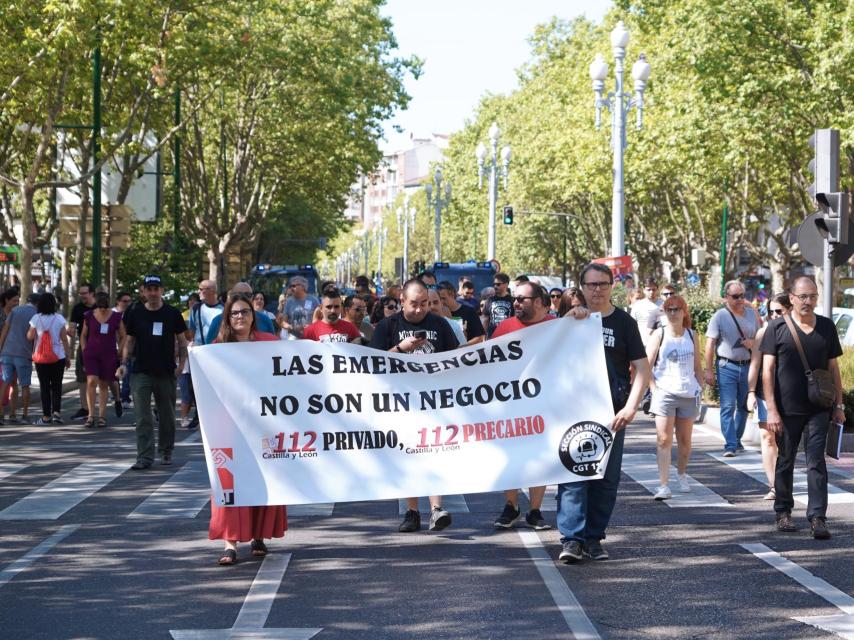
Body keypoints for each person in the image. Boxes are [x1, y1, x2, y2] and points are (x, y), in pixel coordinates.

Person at [557, 263, 650, 563]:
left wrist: (631, 407)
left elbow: (642, 369)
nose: (597, 289)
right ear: (581, 287)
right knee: (573, 475)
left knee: (606, 480)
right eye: (591, 284)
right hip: (575, 411)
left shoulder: (624, 323)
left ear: (612, 286)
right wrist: (568, 320)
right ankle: (572, 539)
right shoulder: (571, 321)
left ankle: (594, 538)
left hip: (612, 414)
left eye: (603, 284)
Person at [369, 279, 459, 532]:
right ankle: (412, 511)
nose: (420, 310)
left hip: (434, 402)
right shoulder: (389, 325)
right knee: (408, 456)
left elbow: (455, 358)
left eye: (424, 304)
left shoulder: (440, 324)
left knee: (435, 452)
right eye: (414, 304)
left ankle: (436, 508)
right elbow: (372, 363)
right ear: (402, 301)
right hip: (400, 403)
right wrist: (400, 348)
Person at [761, 277, 843, 539]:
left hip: (819, 407)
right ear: (792, 298)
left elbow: (833, 369)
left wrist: (838, 405)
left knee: (816, 462)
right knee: (785, 460)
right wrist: (771, 410)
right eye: (803, 296)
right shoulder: (776, 328)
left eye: (813, 296)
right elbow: (767, 370)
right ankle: (783, 511)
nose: (808, 302)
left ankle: (818, 517)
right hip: (786, 409)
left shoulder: (827, 328)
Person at [209, 292, 286, 565]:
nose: (240, 316)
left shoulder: (269, 343)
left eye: (245, 312)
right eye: (235, 313)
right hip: (228, 425)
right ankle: (229, 544)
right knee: (228, 479)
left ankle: (259, 536)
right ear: (227, 318)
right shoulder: (216, 349)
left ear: (254, 316)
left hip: (263, 424)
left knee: (263, 478)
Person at [491, 282, 558, 531]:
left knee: (539, 456)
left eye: (522, 299)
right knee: (512, 456)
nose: (516, 303)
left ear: (539, 302)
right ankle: (511, 506)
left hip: (543, 403)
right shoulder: (505, 327)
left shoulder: (556, 326)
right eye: (515, 299)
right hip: (510, 403)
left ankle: (535, 510)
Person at [117, 275, 189, 470]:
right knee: (142, 416)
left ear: (162, 291)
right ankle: (144, 457)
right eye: (149, 289)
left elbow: (182, 341)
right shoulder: (135, 313)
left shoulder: (172, 313)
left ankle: (166, 450)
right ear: (144, 291)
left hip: (166, 372)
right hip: (140, 371)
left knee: (166, 415)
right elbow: (129, 341)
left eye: (156, 288)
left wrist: (182, 364)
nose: (153, 293)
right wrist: (123, 363)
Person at [644, 294, 703, 500]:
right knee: (663, 439)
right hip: (665, 393)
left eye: (677, 309)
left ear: (684, 311)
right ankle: (663, 485)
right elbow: (647, 365)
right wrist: (653, 389)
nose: (673, 313)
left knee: (685, 441)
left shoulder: (691, 335)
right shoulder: (659, 335)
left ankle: (682, 473)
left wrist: (700, 388)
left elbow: (697, 367)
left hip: (688, 393)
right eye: (669, 309)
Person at [704, 279, 762, 456]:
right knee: (728, 406)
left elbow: (760, 339)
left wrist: (753, 342)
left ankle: (736, 439)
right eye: (735, 296)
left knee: (744, 407)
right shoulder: (720, 316)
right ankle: (730, 444)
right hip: (726, 366)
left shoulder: (752, 314)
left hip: (747, 366)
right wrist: (708, 370)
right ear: (726, 297)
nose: (740, 300)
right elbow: (710, 343)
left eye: (742, 296)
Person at [747, 292, 791, 500]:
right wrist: (750, 393)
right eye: (770, 311)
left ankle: (785, 481)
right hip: (765, 393)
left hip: (790, 395)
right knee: (767, 438)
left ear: (789, 310)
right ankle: (774, 485)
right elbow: (755, 364)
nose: (774, 315)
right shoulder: (763, 333)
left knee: (786, 441)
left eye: (778, 311)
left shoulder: (796, 332)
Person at [80, 292, 126, 428]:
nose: (103, 310)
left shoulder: (116, 317)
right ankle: (90, 416)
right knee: (91, 381)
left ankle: (102, 416)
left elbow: (123, 335)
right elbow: (83, 335)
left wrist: (120, 350)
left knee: (104, 384)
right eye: (100, 308)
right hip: (91, 354)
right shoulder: (88, 316)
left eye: (105, 308)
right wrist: (84, 350)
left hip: (109, 354)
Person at [26, 293, 71, 425]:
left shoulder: (35, 318)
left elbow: (30, 336)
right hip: (58, 357)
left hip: (41, 358)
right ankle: (56, 413)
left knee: (44, 387)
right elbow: (64, 340)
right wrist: (67, 356)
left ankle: (46, 416)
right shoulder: (59, 318)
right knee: (57, 386)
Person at [0, 292, 37, 424]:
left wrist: (1, 349)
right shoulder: (36, 315)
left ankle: (2, 415)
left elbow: (5, 331)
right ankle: (24, 415)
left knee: (6, 383)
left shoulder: (15, 311)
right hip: (23, 353)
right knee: (24, 385)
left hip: (6, 353)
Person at [205, 283, 275, 343]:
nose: (240, 316)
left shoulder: (265, 319)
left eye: (247, 294)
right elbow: (209, 350)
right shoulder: (217, 321)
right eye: (234, 313)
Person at [69, 283, 96, 420]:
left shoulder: (99, 307)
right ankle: (85, 408)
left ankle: (115, 400)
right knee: (82, 377)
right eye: (80, 293)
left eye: (84, 293)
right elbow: (72, 326)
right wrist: (70, 330)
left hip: (100, 346)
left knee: (103, 378)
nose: (82, 296)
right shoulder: (78, 308)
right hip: (84, 345)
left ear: (92, 293)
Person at [436, 280, 485, 345]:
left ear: (452, 294)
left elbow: (480, 338)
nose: (441, 302)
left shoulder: (469, 312)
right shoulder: (436, 314)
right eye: (439, 299)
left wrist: (461, 348)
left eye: (444, 298)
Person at [189, 280, 223, 347]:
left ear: (212, 291)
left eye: (201, 289)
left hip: (216, 350)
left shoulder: (224, 309)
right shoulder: (195, 308)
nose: (198, 292)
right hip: (198, 350)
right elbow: (192, 331)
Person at [630, 277, 662, 344]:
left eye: (653, 289)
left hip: (660, 343)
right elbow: (631, 326)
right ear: (644, 290)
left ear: (657, 290)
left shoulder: (663, 304)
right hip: (642, 344)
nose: (651, 292)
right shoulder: (637, 306)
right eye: (648, 289)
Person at [481, 272, 513, 338]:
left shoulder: (513, 300)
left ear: (506, 284)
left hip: (508, 337)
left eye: (498, 284)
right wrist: (483, 336)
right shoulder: (489, 300)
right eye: (494, 284)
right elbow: (485, 319)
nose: (495, 286)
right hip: (492, 337)